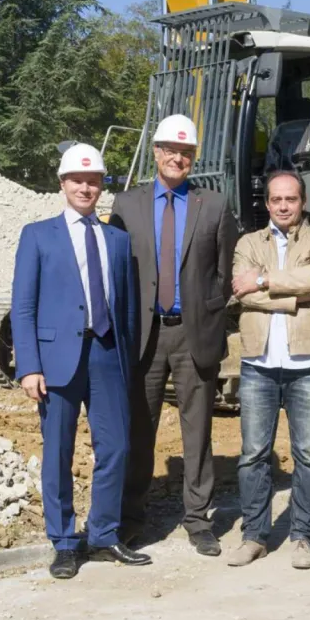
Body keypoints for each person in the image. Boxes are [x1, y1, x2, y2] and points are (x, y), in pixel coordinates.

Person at [9, 143, 147, 580]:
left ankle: (104, 535)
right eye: (78, 180)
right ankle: (65, 542)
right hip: (56, 360)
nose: (86, 188)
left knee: (116, 447)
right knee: (59, 453)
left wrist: (127, 358)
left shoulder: (117, 240)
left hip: (107, 354)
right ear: (63, 183)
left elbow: (127, 307)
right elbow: (23, 306)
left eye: (93, 181)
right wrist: (29, 365)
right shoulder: (38, 235)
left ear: (102, 185)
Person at [109, 114, 239, 557]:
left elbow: (223, 273)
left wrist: (209, 319)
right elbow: (119, 273)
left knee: (197, 431)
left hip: (193, 333)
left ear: (193, 158)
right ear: (156, 152)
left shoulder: (215, 205)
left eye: (185, 153)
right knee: (138, 431)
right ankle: (130, 518)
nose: (177, 158)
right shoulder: (126, 206)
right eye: (169, 150)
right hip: (143, 336)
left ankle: (199, 520)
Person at [226, 170, 310, 570]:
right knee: (254, 454)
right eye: (277, 199)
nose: (284, 206)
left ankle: (302, 536)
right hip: (258, 361)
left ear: (302, 202)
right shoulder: (247, 242)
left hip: (307, 362)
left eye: (291, 199)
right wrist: (294, 297)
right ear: (267, 203)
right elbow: (240, 296)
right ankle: (254, 536)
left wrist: (262, 281)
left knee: (309, 454)